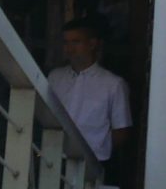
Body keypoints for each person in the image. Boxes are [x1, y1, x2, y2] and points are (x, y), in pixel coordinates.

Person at [47, 15, 131, 164]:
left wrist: (99, 149)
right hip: (55, 158)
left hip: (94, 161)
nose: (69, 49)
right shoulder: (55, 77)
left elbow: (121, 131)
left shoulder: (114, 84)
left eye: (76, 42)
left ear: (92, 44)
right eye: (66, 42)